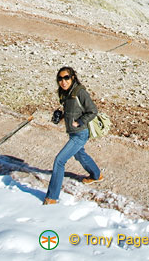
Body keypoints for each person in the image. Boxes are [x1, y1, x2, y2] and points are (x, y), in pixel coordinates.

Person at [43, 66, 104, 205]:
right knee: (79, 154)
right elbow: (72, 111)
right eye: (60, 79)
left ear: (72, 78)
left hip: (80, 133)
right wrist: (60, 116)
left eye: (66, 78)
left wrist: (80, 121)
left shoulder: (79, 92)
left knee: (59, 160)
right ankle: (96, 175)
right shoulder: (65, 93)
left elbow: (93, 111)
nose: (63, 81)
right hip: (73, 132)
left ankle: (52, 197)